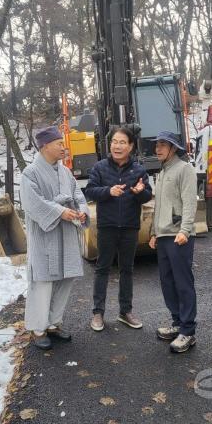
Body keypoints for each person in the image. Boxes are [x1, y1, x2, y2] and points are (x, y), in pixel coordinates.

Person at [20, 126, 90, 350]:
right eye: (59, 143)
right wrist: (60, 211)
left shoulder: (65, 172)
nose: (63, 147)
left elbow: (78, 194)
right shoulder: (29, 173)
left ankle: (53, 323)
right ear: (45, 146)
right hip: (45, 235)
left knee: (64, 279)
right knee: (43, 280)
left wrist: (81, 211)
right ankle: (38, 328)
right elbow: (33, 204)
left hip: (67, 232)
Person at [85, 127, 152, 332]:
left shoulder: (139, 170)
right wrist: (108, 191)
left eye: (122, 142)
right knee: (102, 268)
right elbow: (90, 190)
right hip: (107, 226)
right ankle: (98, 313)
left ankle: (125, 311)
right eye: (115, 141)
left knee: (127, 270)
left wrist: (140, 192)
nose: (117, 146)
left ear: (130, 146)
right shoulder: (100, 167)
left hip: (130, 226)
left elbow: (147, 195)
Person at [148, 131, 198, 353]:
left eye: (162, 145)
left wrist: (185, 230)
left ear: (173, 148)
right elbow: (158, 206)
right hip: (163, 235)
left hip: (179, 236)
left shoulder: (184, 169)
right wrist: (153, 232)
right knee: (167, 282)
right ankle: (177, 322)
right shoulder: (162, 172)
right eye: (156, 145)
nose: (157, 149)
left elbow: (189, 202)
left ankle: (188, 331)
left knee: (183, 283)